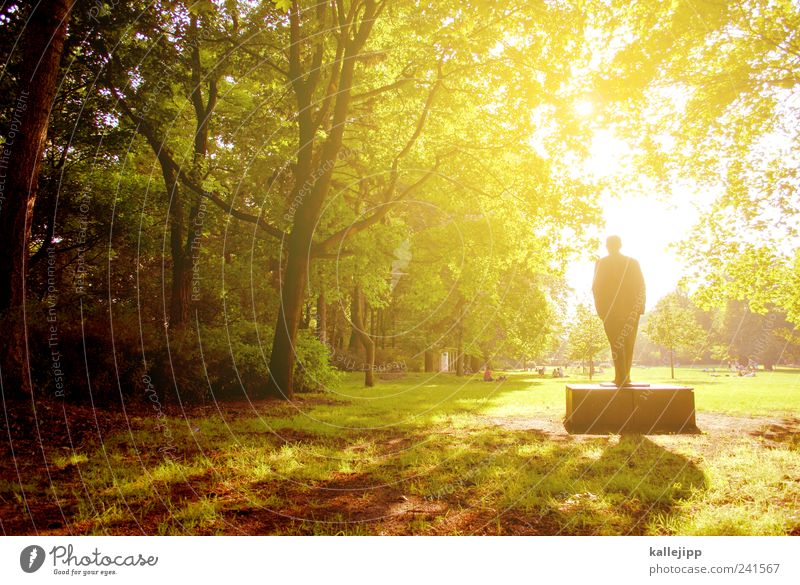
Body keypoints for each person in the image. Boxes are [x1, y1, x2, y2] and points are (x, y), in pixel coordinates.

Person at [592, 235, 646, 387]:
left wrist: (601, 311)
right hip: (629, 311)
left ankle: (621, 377)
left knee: (617, 344)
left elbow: (596, 288)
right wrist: (639, 308)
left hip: (613, 312)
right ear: (620, 245)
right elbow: (641, 286)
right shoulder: (632, 262)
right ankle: (624, 377)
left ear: (607, 246)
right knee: (628, 344)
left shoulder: (601, 263)